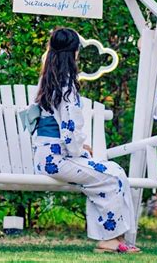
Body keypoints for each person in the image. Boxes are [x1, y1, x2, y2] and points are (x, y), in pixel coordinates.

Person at [31, 27, 140, 254]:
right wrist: (81, 151)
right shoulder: (66, 86)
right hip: (57, 159)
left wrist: (79, 149)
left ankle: (115, 238)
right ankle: (110, 239)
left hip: (46, 156)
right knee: (112, 176)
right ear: (74, 54)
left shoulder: (47, 81)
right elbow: (70, 131)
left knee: (112, 173)